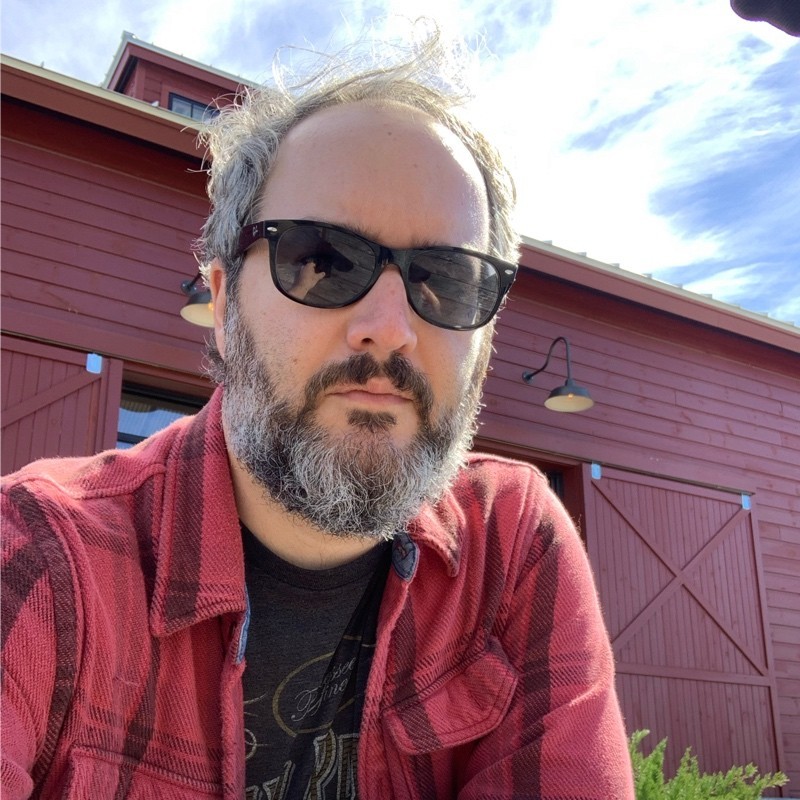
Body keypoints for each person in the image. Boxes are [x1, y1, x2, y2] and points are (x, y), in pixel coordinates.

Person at [1, 26, 634, 800]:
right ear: (224, 303)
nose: (390, 328)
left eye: (446, 279)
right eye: (322, 260)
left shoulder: (514, 545)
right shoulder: (39, 555)